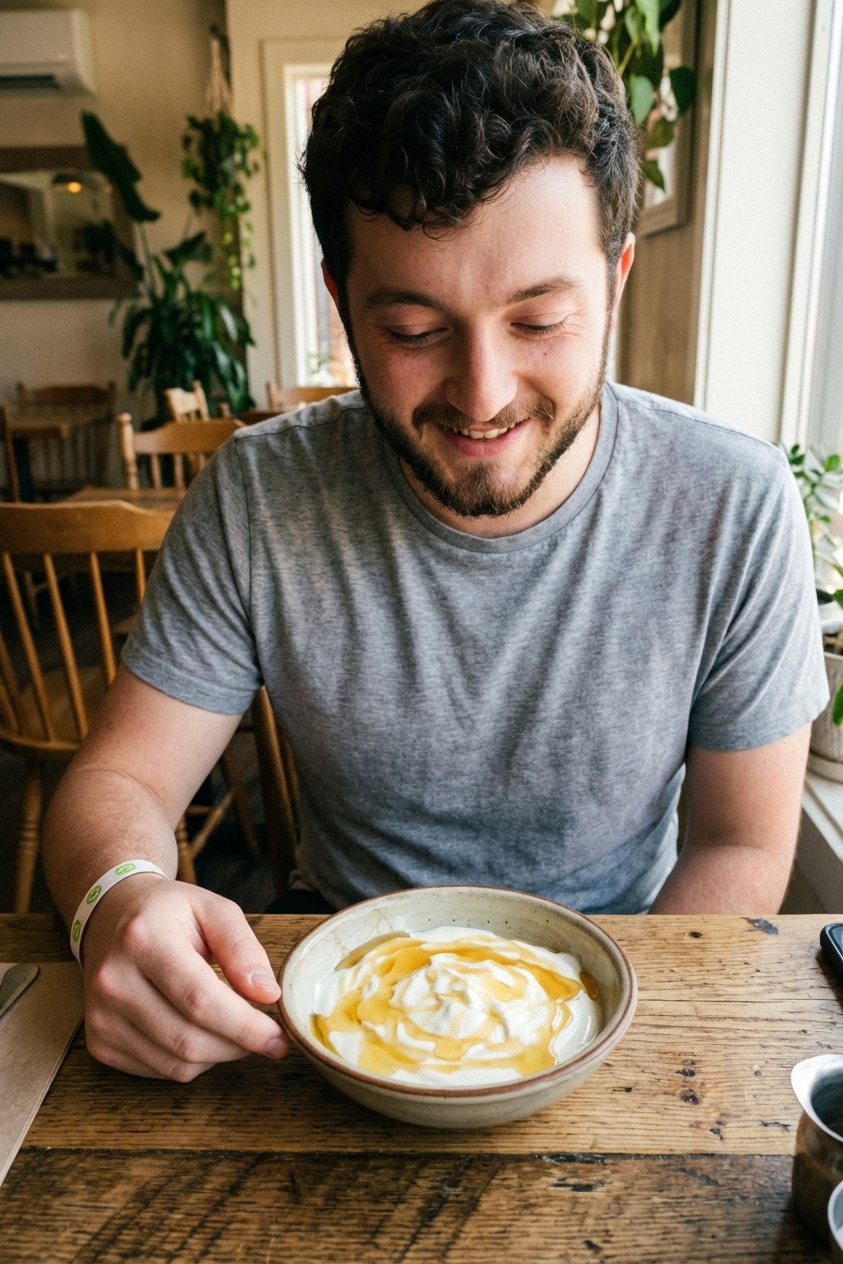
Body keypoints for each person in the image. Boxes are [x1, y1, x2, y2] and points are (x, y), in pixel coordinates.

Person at [43, 0, 826, 1082]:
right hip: (327, 982)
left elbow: (741, 844)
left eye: (539, 321)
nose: (483, 393)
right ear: (342, 303)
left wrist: (594, 1031)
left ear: (615, 280)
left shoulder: (734, 503)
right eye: (412, 329)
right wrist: (114, 896)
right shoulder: (261, 493)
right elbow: (118, 780)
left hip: (623, 978)